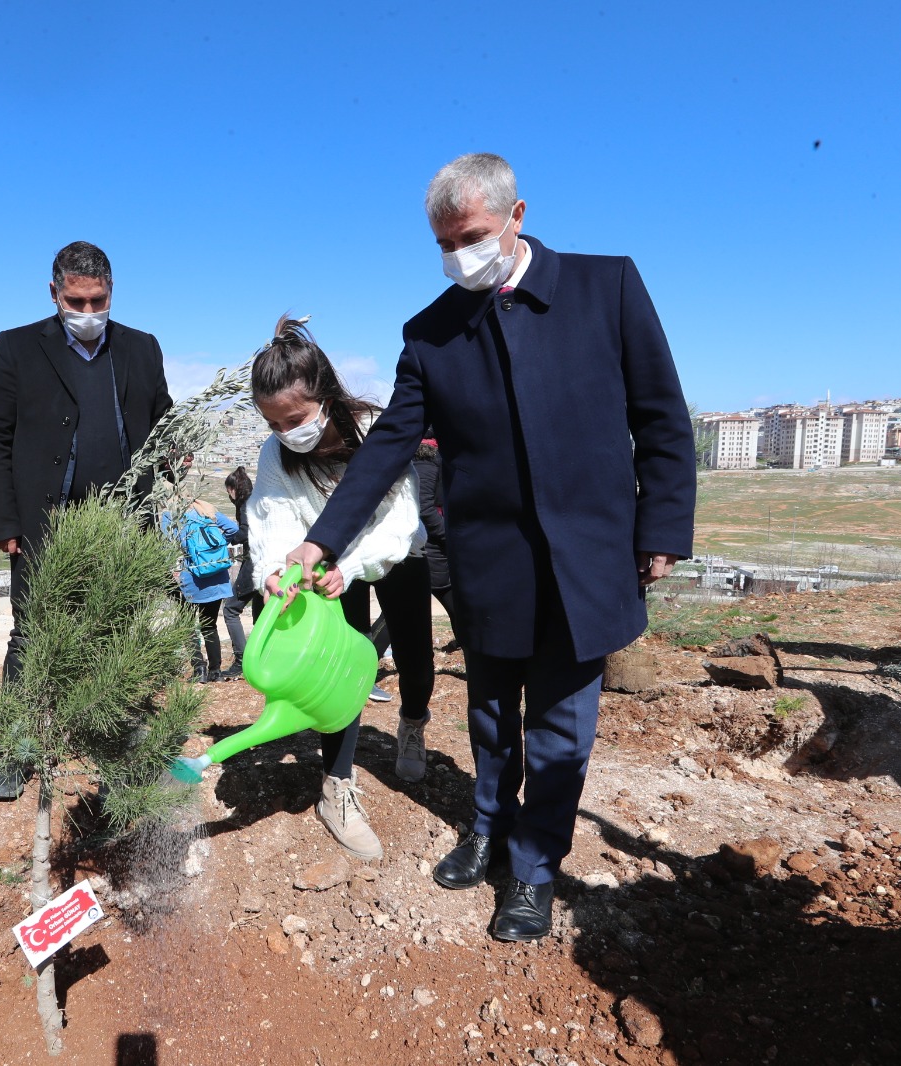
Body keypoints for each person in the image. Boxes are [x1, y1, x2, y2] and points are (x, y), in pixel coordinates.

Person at [282, 153, 696, 941]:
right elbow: (387, 447)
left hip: (588, 556)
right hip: (488, 560)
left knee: (561, 727)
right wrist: (320, 543)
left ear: (517, 215)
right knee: (489, 714)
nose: (457, 255)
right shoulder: (431, 332)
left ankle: (536, 868)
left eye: (470, 235)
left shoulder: (605, 288)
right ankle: (487, 827)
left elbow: (662, 418)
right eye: (444, 243)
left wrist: (662, 530)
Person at [0, 240, 173, 798]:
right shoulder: (16, 348)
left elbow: (163, 418)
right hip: (45, 524)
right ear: (54, 292)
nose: (88, 313)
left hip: (121, 524)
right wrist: (3, 521)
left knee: (119, 633)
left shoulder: (141, 348)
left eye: (98, 301)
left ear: (112, 293)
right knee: (31, 635)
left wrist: (177, 449)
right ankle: (16, 750)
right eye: (76, 301)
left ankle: (119, 753)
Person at [248, 316, 427, 860]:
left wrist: (351, 566)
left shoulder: (375, 431)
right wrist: (272, 571)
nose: (287, 433)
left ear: (324, 395)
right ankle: (337, 787)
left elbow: (399, 521)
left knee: (415, 655)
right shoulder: (276, 456)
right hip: (318, 569)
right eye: (273, 422)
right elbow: (270, 516)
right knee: (338, 672)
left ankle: (413, 721)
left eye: (295, 419)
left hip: (392, 556)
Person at [163, 498, 239, 683]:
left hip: (193, 578)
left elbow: (167, 545)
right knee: (209, 625)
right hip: (217, 575)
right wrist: (217, 547)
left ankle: (199, 670)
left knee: (187, 626)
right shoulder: (208, 509)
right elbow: (233, 529)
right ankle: (216, 672)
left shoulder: (170, 515)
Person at [217, 467, 262, 681]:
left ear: (235, 488)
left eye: (229, 490)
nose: (229, 495)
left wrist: (229, 539)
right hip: (268, 562)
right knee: (261, 612)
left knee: (231, 609)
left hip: (255, 562)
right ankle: (263, 656)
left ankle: (241, 660)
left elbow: (246, 531)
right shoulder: (258, 499)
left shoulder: (246, 503)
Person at [413, 437, 458, 635]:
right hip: (431, 548)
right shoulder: (425, 458)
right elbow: (424, 508)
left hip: (435, 546)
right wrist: (448, 536)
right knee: (456, 606)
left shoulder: (433, 456)